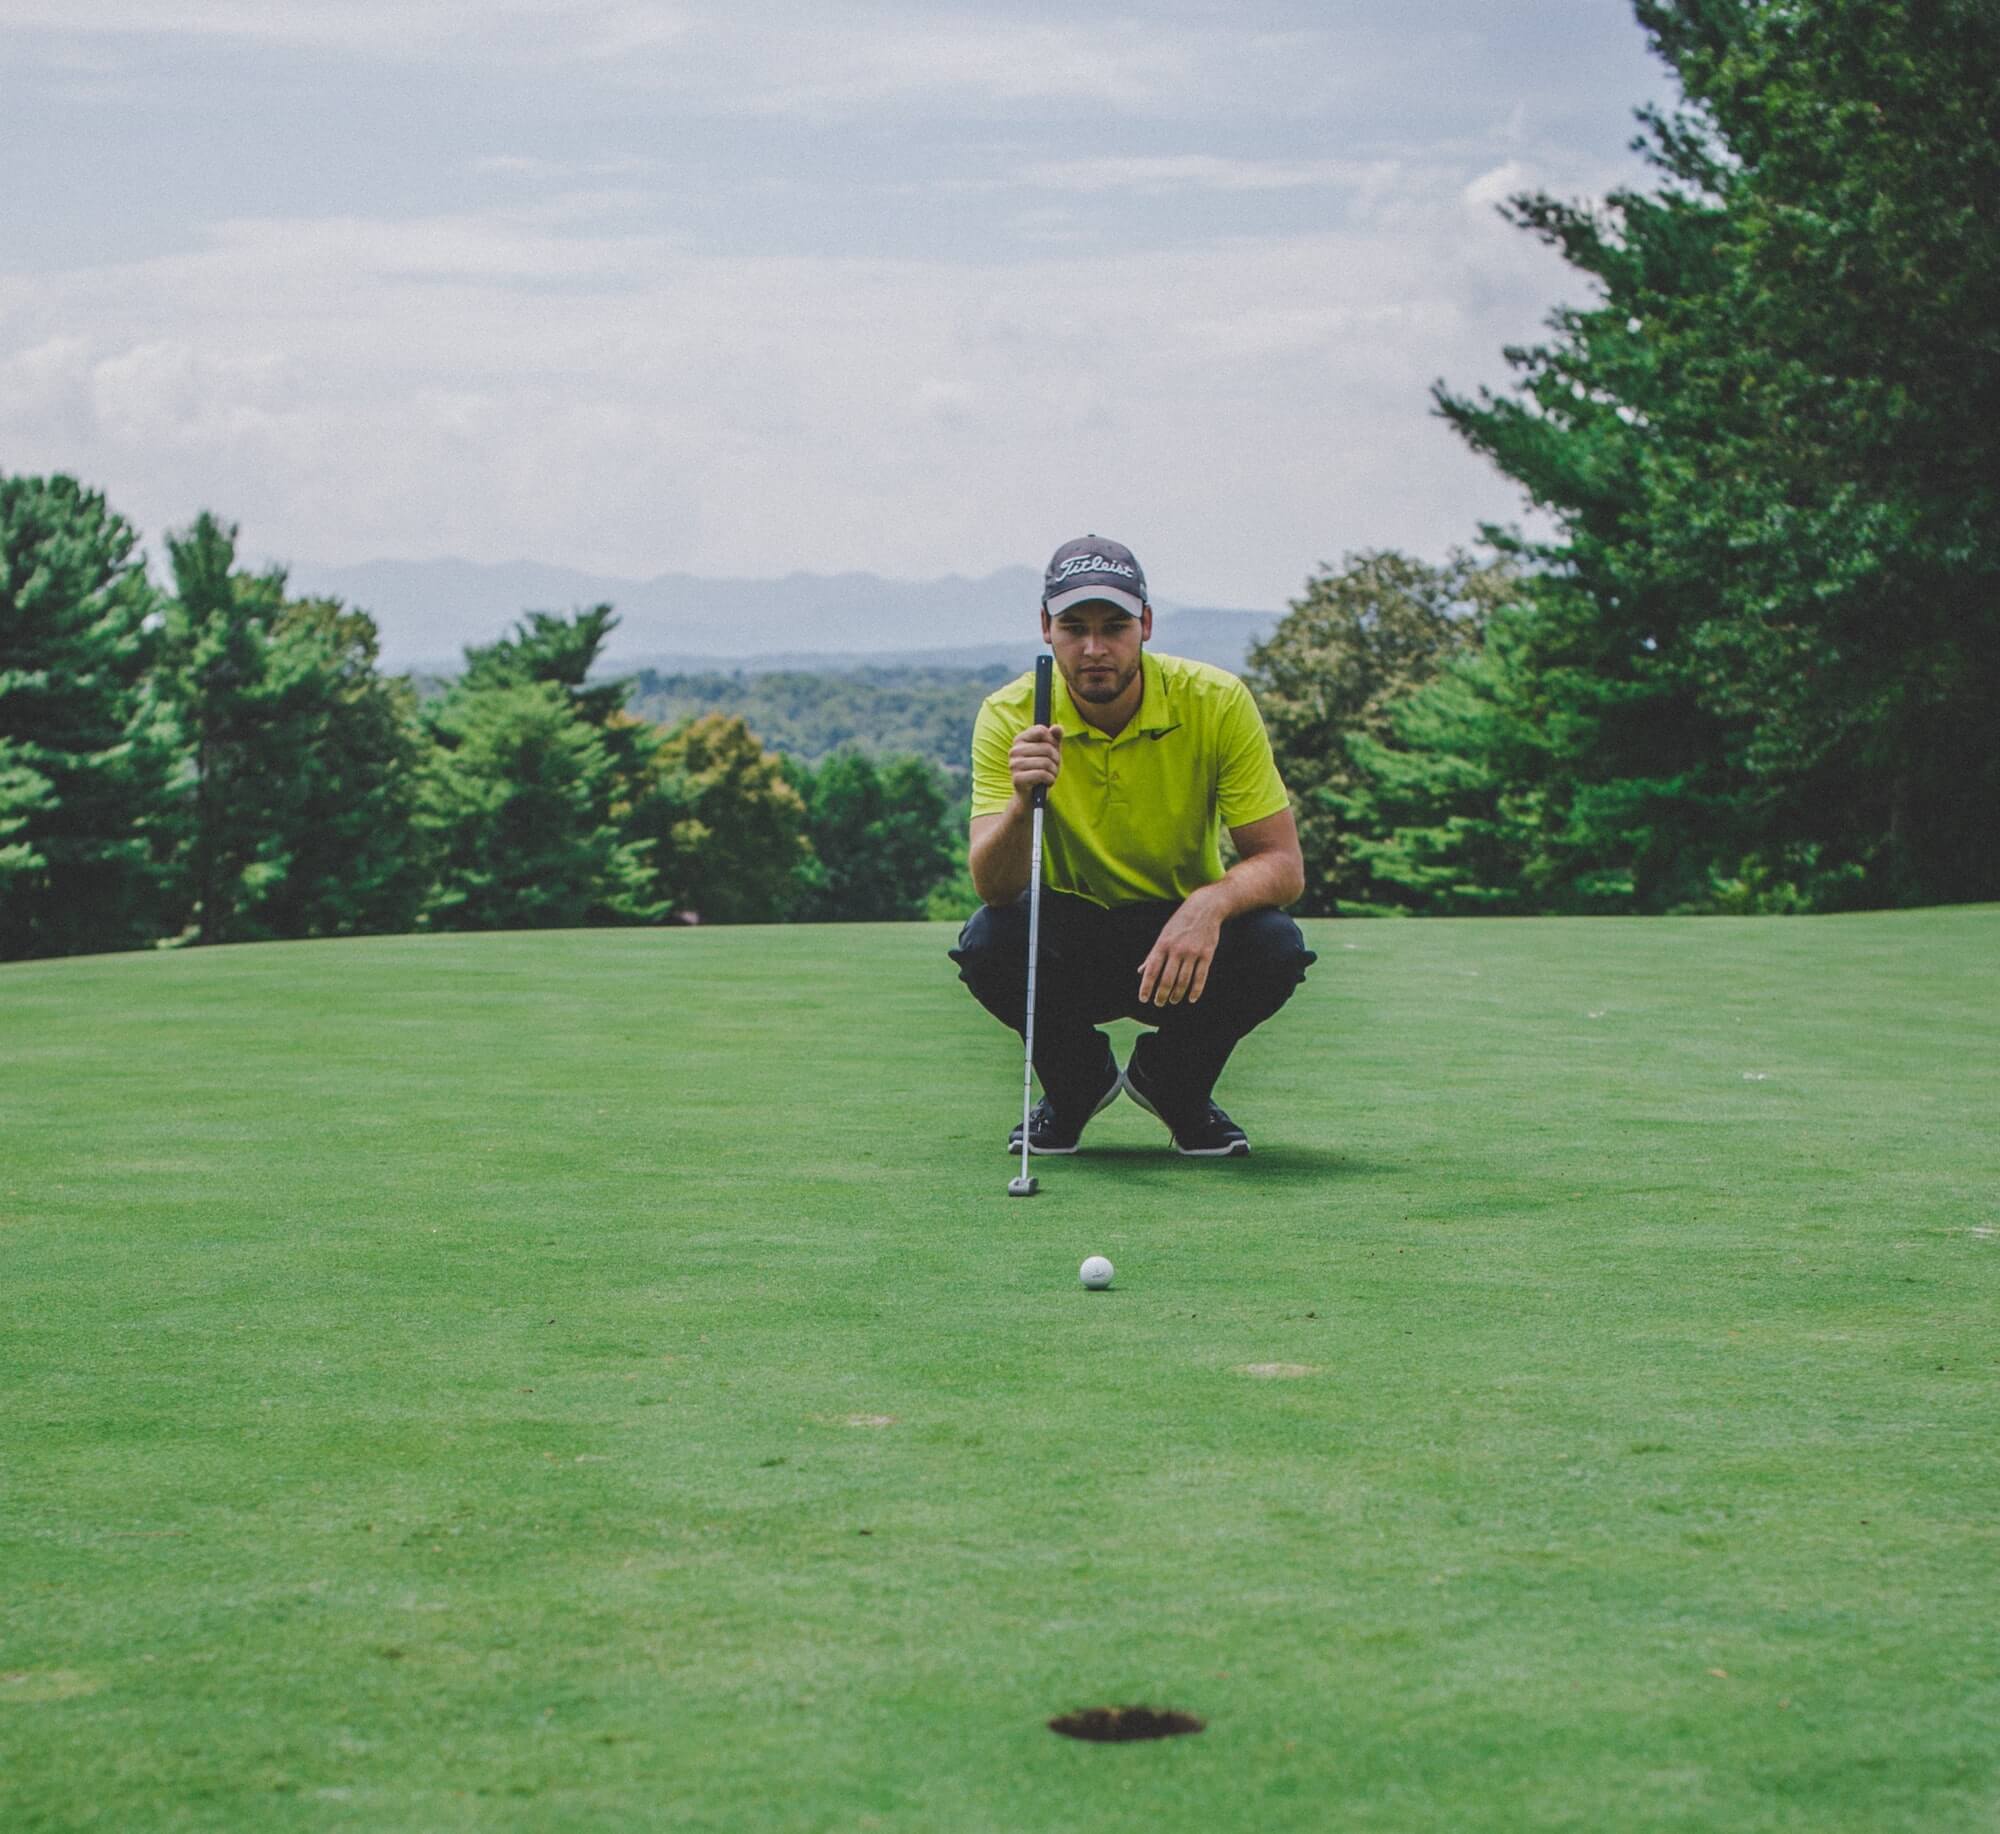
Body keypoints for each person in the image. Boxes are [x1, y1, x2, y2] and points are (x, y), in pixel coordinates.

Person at [950, 535, 1316, 1157]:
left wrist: (1209, 904)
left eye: (1115, 626)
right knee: (989, 942)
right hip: (1069, 931)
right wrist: (1021, 799)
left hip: (1181, 938)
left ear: (1145, 624)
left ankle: (1174, 1086)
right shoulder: (1011, 712)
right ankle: (1075, 1088)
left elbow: (1283, 864)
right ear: (1046, 628)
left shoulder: (1217, 701)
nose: (1095, 648)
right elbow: (995, 886)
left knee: (1275, 947)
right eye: (1074, 627)